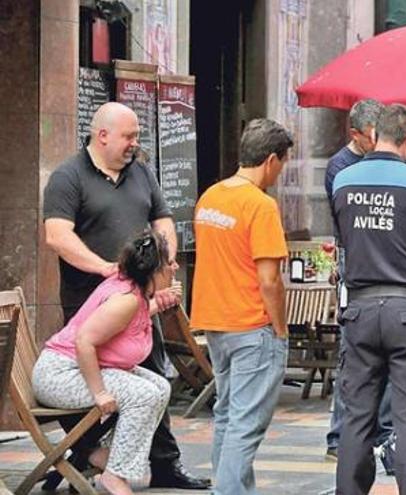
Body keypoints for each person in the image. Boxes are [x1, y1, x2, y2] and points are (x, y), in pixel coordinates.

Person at [43, 102, 209, 490]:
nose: (135, 143)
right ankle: (87, 456)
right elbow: (57, 236)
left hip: (138, 295)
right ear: (102, 136)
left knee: (152, 374)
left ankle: (165, 464)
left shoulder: (140, 172)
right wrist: (103, 267)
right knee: (91, 382)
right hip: (90, 298)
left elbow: (162, 220)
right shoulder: (69, 177)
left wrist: (163, 266)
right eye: (129, 136)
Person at [332, 103, 406, 495]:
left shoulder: (342, 179)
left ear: (374, 133)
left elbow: (344, 233)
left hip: (360, 309)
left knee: (356, 418)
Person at [190, 118, 292, 495]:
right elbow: (269, 280)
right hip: (252, 325)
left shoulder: (210, 197)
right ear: (270, 160)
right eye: (283, 163)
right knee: (246, 425)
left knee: (228, 416)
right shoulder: (260, 206)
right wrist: (280, 329)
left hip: (216, 323)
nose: (281, 172)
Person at [32, 230, 176, 495]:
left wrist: (157, 304)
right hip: (60, 375)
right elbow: (84, 341)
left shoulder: (134, 291)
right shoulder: (125, 300)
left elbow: (126, 325)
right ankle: (114, 475)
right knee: (143, 395)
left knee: (160, 387)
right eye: (169, 262)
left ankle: (105, 456)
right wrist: (99, 392)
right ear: (154, 270)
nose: (175, 267)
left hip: (76, 368)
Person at [323, 99, 395, 465]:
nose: (379, 142)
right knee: (353, 354)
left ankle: (382, 430)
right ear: (356, 134)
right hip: (355, 260)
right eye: (373, 136)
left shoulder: (383, 158)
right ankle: (339, 436)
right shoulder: (341, 166)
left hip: (382, 262)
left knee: (386, 351)